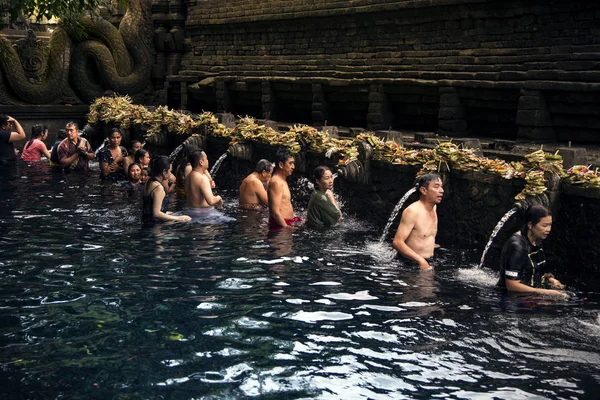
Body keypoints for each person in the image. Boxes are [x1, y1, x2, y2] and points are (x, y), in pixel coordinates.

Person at [497, 205, 566, 297]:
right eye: (544, 225)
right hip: (510, 299)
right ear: (530, 225)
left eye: (550, 225)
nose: (548, 229)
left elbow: (532, 271)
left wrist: (550, 280)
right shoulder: (516, 247)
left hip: (531, 294)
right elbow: (512, 285)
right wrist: (545, 292)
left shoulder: (537, 240)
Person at [392, 173, 444, 270]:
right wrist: (420, 260)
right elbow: (397, 242)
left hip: (429, 260)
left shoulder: (434, 208)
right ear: (423, 190)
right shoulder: (412, 211)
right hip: (409, 263)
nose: (441, 191)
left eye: (441, 187)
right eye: (436, 187)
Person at [142, 156, 191, 224]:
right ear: (164, 171)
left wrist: (166, 212)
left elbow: (150, 208)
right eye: (169, 171)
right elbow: (156, 213)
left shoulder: (149, 182)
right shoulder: (158, 188)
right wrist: (178, 218)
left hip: (145, 222)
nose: (170, 174)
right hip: (155, 227)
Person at [268, 148, 300, 229]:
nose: (293, 167)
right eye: (290, 163)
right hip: (280, 226)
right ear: (281, 165)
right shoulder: (276, 182)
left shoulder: (283, 180)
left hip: (287, 222)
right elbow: (275, 212)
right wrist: (286, 228)